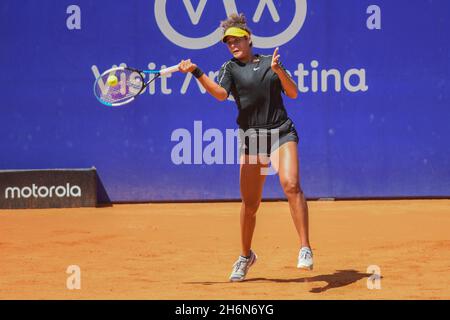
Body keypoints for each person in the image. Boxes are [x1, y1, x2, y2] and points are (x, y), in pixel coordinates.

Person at [178, 13, 313, 282]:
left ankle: (305, 248)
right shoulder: (229, 68)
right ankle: (245, 255)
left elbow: (294, 92)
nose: (233, 45)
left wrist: (278, 71)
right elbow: (219, 94)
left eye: (237, 40)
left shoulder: (269, 63)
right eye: (228, 42)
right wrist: (196, 72)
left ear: (249, 39)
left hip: (281, 133)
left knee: (291, 184)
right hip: (253, 139)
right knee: (250, 204)